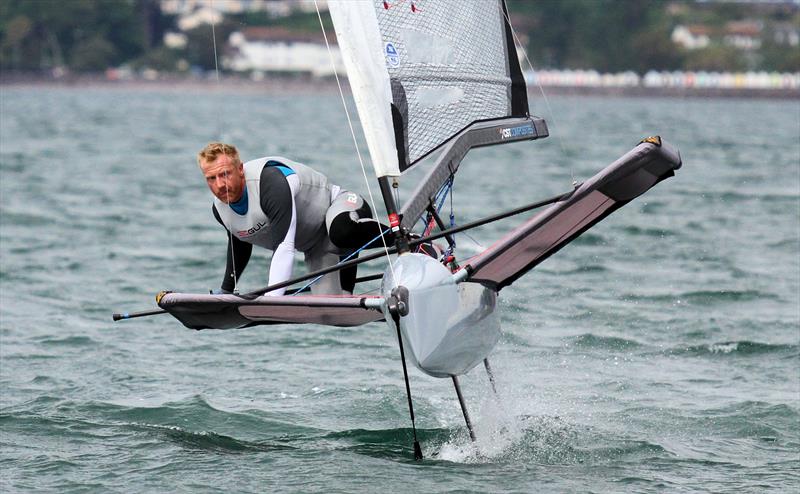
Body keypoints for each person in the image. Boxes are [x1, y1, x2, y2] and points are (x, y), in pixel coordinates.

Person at [197, 142, 392, 296]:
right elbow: (239, 244)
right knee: (332, 313)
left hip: (342, 207)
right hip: (316, 246)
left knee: (341, 232)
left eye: (225, 174)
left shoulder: (268, 182)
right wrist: (226, 291)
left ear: (240, 169)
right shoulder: (220, 210)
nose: (220, 185)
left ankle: (404, 239)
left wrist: (272, 299)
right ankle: (349, 289)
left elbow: (284, 245)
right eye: (211, 179)